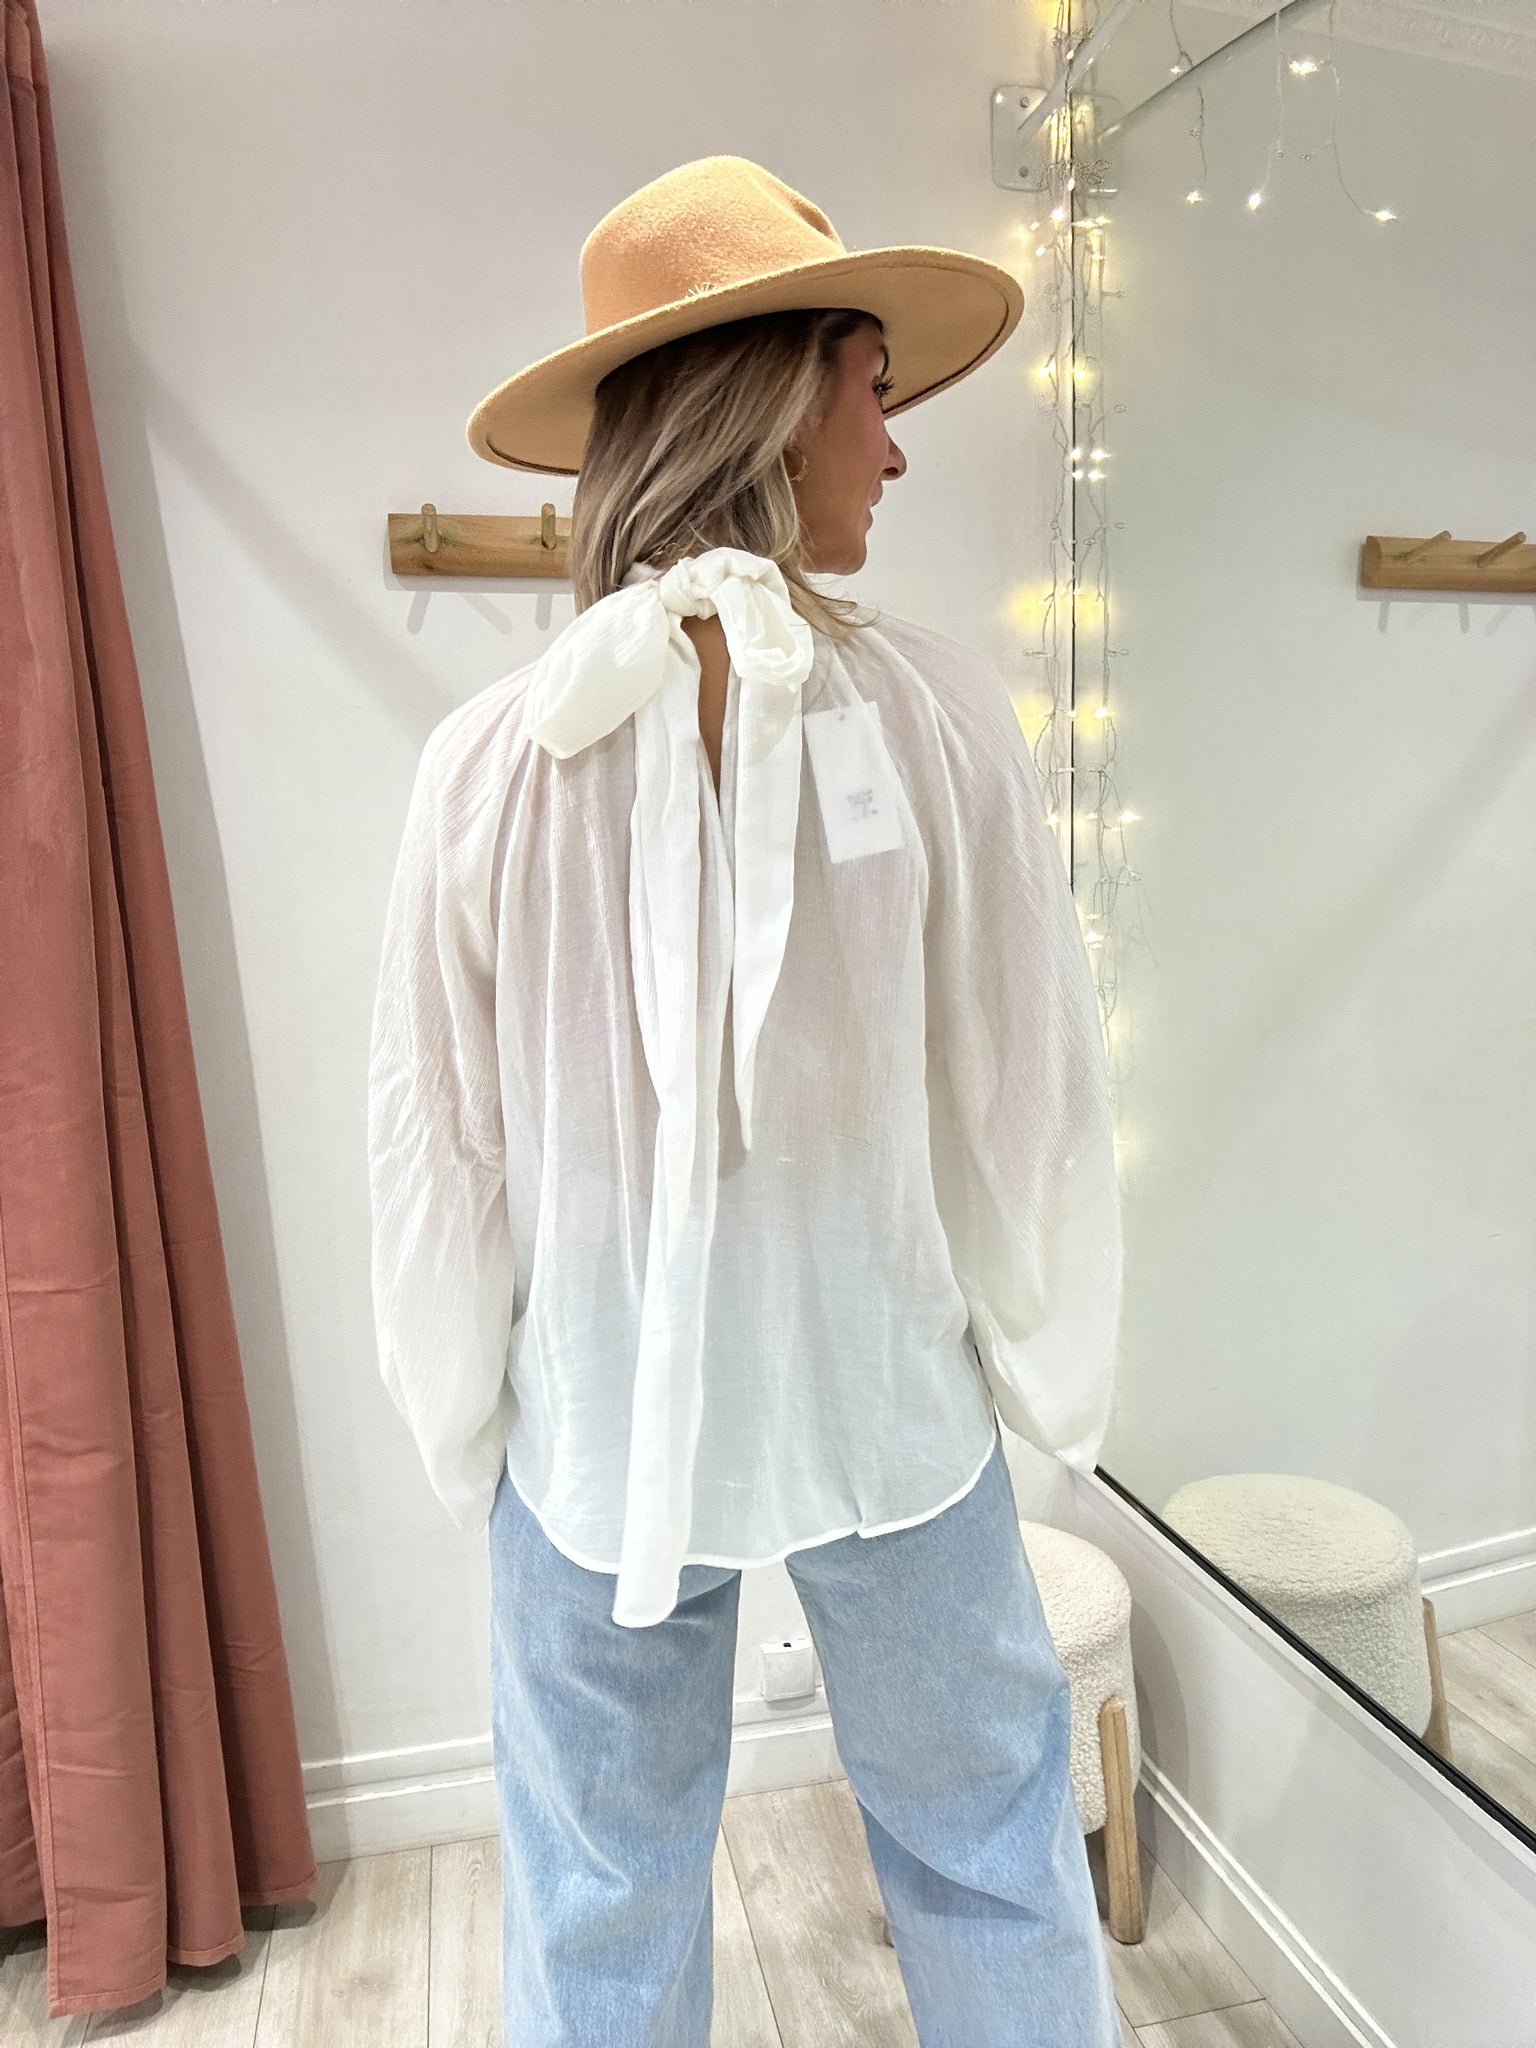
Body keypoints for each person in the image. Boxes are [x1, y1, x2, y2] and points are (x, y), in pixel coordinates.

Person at [368, 154, 1124, 2047]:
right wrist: (1046, 1349)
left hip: (603, 1408)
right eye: (874, 385)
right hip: (880, 1383)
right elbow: (1023, 1090)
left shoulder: (488, 764)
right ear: (777, 397)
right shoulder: (935, 716)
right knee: (986, 1833)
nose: (896, 444)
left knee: (599, 1896)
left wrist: (462, 1408)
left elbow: (442, 1146)